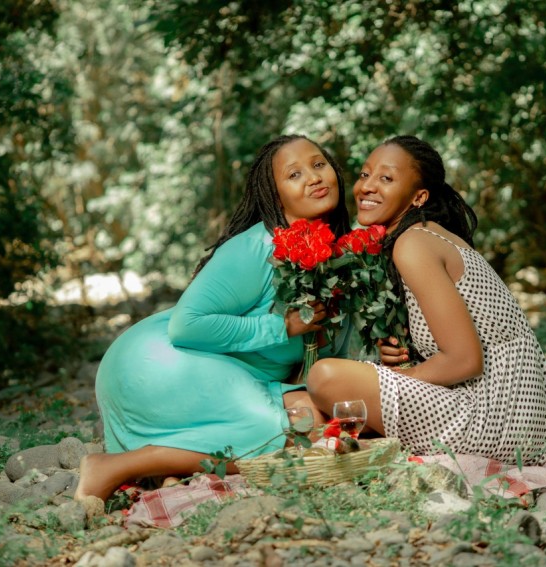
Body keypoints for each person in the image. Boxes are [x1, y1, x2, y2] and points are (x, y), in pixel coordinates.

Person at [75, 135, 351, 502]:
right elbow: (187, 325)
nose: (314, 178)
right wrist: (281, 326)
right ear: (274, 194)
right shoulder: (257, 248)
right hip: (160, 360)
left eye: (319, 165)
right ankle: (116, 467)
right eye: (295, 174)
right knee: (278, 434)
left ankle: (171, 470)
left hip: (230, 374)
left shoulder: (340, 254)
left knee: (315, 424)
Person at [307, 135, 546, 465]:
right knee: (305, 407)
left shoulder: (414, 244)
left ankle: (366, 451)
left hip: (498, 415)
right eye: (365, 174)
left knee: (325, 377)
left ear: (419, 197)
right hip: (512, 417)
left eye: (386, 178)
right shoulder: (422, 235)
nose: (367, 186)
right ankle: (358, 448)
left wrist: (387, 380)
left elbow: (466, 361)